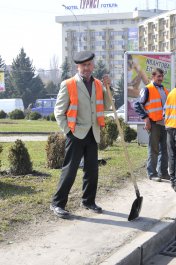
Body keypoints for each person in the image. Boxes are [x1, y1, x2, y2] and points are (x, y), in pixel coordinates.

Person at [50, 51, 113, 219]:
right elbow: (59, 111)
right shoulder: (69, 84)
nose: (87, 68)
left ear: (93, 65)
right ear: (78, 66)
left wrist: (108, 87)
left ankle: (88, 201)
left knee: (92, 170)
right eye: (83, 65)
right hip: (76, 134)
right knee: (69, 170)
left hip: (93, 132)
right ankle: (57, 203)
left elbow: (107, 105)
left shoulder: (99, 84)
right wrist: (68, 131)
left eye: (89, 65)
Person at [134, 68, 169, 182]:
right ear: (153, 77)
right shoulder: (147, 89)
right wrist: (146, 119)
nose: (161, 78)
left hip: (165, 124)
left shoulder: (164, 90)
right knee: (154, 150)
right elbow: (137, 105)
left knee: (165, 150)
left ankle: (163, 172)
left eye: (162, 76)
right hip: (154, 124)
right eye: (158, 76)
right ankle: (152, 173)